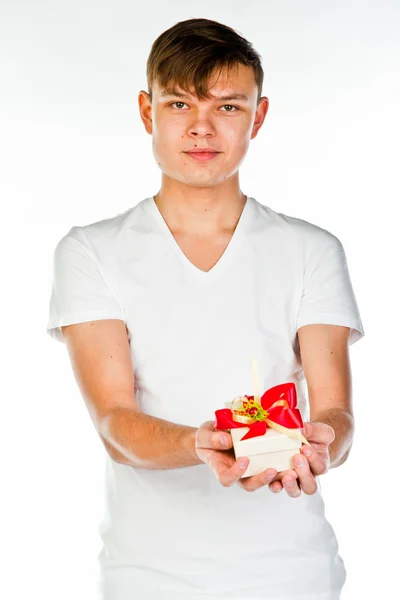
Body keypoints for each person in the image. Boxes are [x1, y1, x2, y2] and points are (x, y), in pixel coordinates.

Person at [46, 17, 365, 600]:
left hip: (293, 576)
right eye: (179, 104)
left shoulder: (311, 251)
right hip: (148, 579)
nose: (201, 128)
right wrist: (203, 442)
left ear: (257, 118)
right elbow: (115, 424)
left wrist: (323, 442)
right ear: (147, 112)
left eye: (227, 107)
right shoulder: (91, 252)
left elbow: (337, 413)